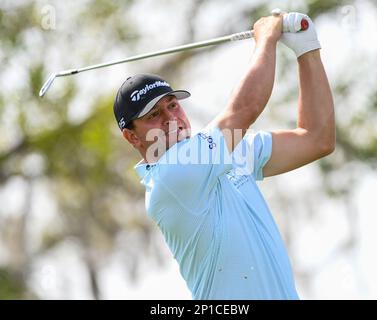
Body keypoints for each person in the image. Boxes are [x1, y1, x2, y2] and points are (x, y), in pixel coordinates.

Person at [113, 11, 335, 299]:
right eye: (154, 115)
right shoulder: (171, 177)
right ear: (132, 136)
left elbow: (316, 139)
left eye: (172, 106)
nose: (172, 119)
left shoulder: (220, 151)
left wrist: (307, 48)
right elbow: (244, 109)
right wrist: (266, 37)